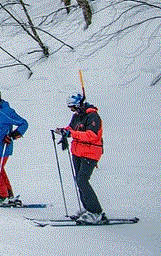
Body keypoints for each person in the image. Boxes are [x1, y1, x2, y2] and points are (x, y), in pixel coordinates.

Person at [57, 92, 106, 224]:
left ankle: (96, 212)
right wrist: (63, 131)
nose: (71, 110)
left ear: (79, 105)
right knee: (78, 181)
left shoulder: (93, 117)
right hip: (78, 152)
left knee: (82, 180)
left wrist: (71, 133)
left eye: (72, 107)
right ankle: (88, 208)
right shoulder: (77, 116)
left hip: (91, 153)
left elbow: (92, 135)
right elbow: (71, 128)